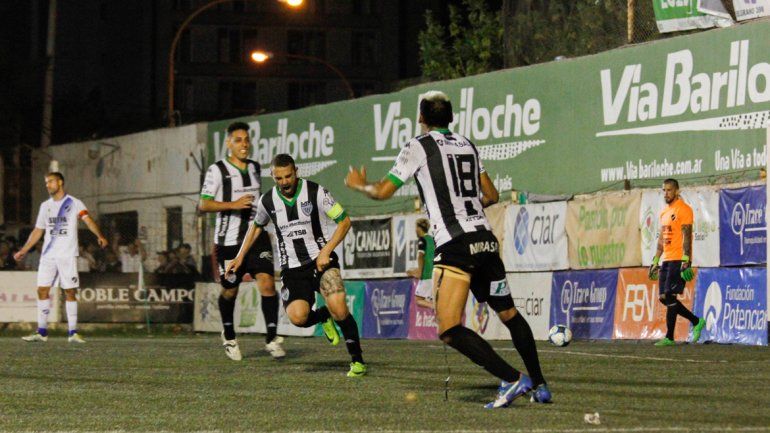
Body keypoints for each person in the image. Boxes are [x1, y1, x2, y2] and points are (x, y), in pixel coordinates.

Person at [345, 90, 549, 407]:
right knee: (509, 314)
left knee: (450, 328)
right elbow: (492, 195)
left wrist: (360, 185)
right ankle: (541, 385)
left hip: (456, 245)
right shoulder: (467, 144)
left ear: (421, 118)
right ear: (451, 118)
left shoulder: (418, 145)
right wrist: (468, 207)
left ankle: (512, 379)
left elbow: (383, 190)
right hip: (485, 239)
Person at [227, 154, 367, 377]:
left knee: (340, 308)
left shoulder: (316, 192)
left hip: (321, 261)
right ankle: (322, 316)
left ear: (296, 172)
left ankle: (357, 361)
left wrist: (326, 251)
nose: (284, 182)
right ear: (273, 176)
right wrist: (239, 256)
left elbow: (344, 222)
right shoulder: (267, 201)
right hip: (292, 268)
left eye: (288, 176)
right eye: (279, 178)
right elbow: (255, 227)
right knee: (298, 318)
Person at [199, 121, 284, 360]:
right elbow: (203, 204)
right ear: (229, 143)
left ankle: (272, 338)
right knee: (230, 291)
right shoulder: (217, 171)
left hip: (256, 238)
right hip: (228, 241)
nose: (244, 144)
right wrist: (233, 205)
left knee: (267, 284)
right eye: (238, 140)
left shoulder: (256, 167)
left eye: (246, 140)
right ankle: (228, 335)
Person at [13, 172, 108, 343]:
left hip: (66, 255)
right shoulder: (45, 206)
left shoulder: (74, 202)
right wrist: (24, 249)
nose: (47, 185)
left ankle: (73, 332)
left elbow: (88, 220)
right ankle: (41, 332)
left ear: (60, 182)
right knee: (42, 289)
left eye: (50, 181)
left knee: (70, 291)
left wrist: (99, 235)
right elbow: (38, 230)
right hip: (48, 256)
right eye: (46, 182)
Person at [648, 178, 705, 346]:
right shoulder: (664, 212)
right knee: (663, 297)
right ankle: (696, 321)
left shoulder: (684, 209)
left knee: (670, 296)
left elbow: (687, 235)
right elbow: (661, 238)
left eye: (669, 190)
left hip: (678, 259)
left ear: (677, 191)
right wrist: (656, 259)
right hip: (667, 259)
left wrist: (686, 259)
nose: (666, 193)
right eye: (664, 190)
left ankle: (669, 337)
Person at [407, 218, 435, 309]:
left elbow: (420, 256)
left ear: (419, 228)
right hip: (435, 274)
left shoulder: (422, 240)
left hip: (427, 275)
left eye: (416, 227)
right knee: (433, 299)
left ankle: (435, 307)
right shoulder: (432, 239)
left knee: (418, 300)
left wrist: (418, 271)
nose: (415, 230)